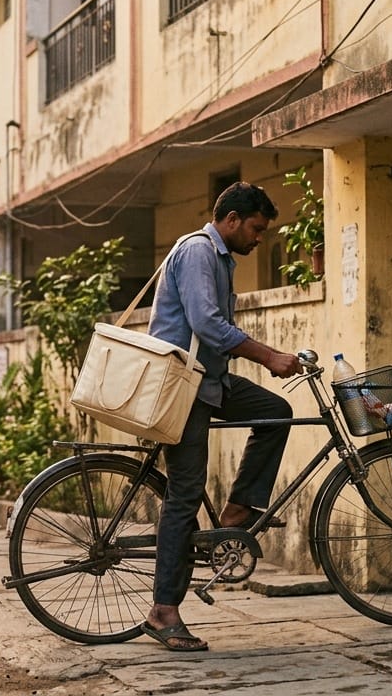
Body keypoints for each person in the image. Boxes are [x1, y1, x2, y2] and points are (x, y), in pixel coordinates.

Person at [142, 182, 304, 653]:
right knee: (184, 493)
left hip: (209, 382)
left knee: (275, 412)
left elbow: (217, 331)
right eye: (255, 228)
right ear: (231, 220)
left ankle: (237, 514)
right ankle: (163, 611)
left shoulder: (222, 259)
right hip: (183, 387)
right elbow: (207, 324)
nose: (259, 238)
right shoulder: (198, 251)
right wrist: (269, 356)